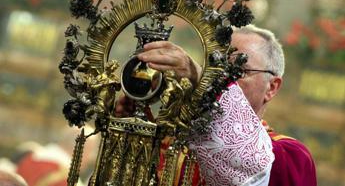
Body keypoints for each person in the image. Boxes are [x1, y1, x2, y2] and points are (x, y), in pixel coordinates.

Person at [117, 24, 317, 186]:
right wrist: (133, 130)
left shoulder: (292, 159)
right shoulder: (172, 144)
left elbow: (251, 164)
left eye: (238, 70)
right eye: (216, 67)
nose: (221, 78)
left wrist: (200, 77)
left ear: (272, 87)